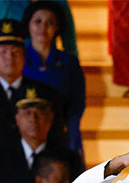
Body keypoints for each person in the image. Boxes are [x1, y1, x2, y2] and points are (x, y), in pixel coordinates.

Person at [0, 18, 65, 169]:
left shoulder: (46, 93)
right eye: (3, 52)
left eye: (15, 52)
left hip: (38, 176)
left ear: (24, 55)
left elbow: (56, 139)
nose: (9, 58)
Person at [0, 90, 84, 183]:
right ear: (17, 118)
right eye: (27, 113)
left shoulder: (70, 159)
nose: (33, 118)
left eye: (40, 112)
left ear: (50, 117)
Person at [22, 1, 86, 154]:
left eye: (50, 22)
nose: (43, 27)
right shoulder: (17, 60)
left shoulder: (69, 62)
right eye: (37, 21)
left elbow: (76, 105)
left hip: (61, 133)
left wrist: (71, 137)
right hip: (24, 137)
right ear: (28, 24)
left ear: (57, 28)